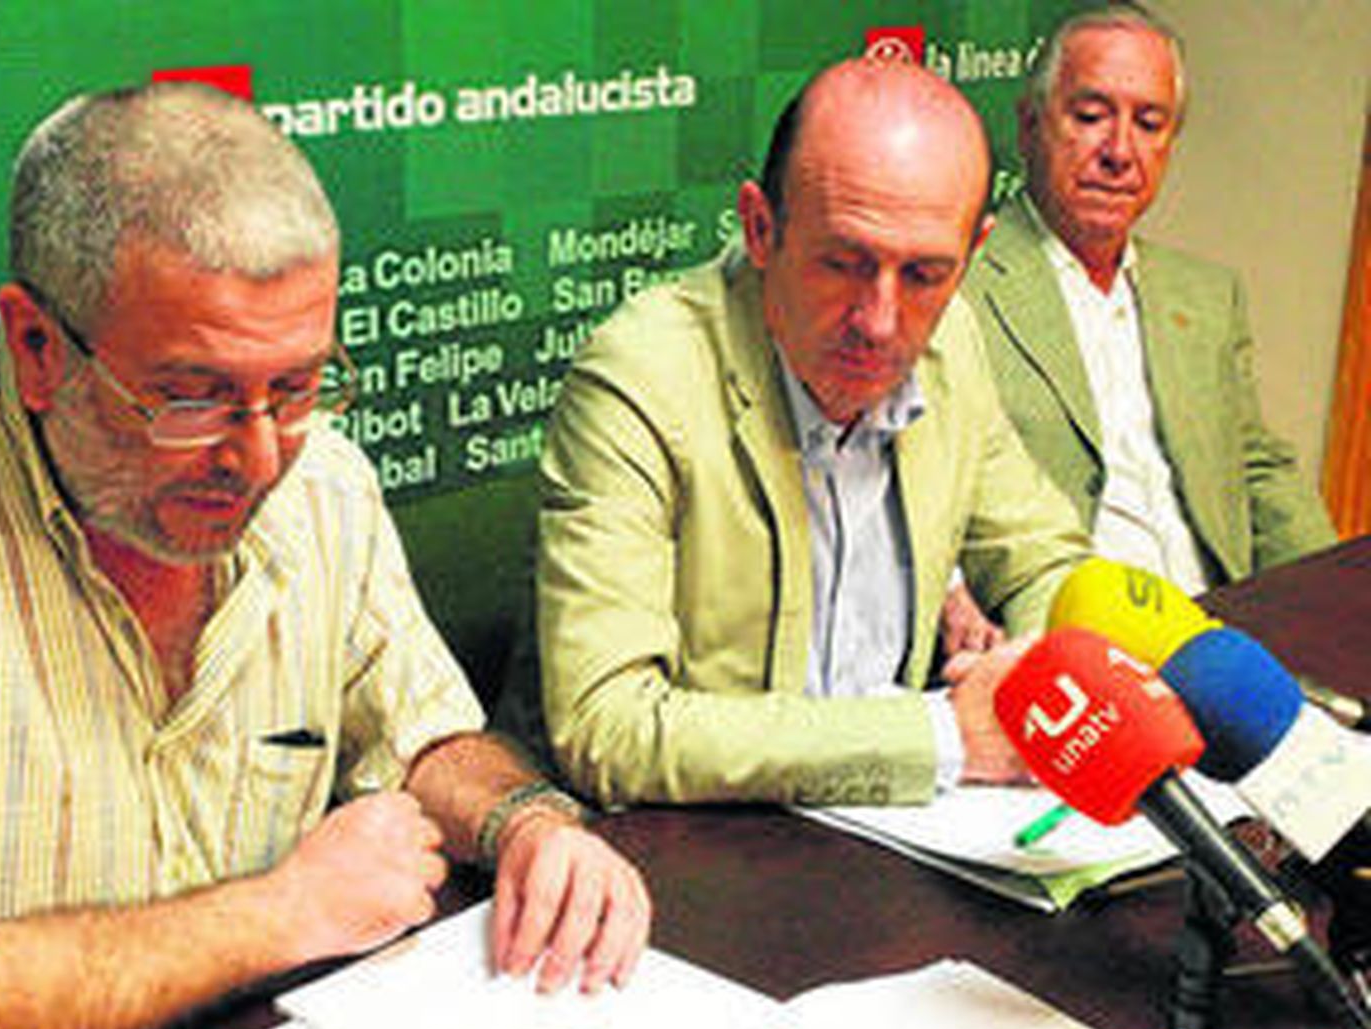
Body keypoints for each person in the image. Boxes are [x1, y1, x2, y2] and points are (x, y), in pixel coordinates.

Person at [0, 83, 649, 1029]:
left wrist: (529, 825)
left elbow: (422, 739)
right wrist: (285, 911)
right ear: (38, 347)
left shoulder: (317, 480)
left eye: (298, 386)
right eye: (192, 398)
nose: (259, 456)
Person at [530, 59, 1090, 810]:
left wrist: (1028, 675)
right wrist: (947, 736)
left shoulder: (951, 340)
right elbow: (608, 727)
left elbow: (1044, 561)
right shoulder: (643, 377)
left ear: (973, 253)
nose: (880, 322)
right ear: (761, 228)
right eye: (844, 264)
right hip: (705, 840)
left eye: (924, 275)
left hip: (909, 821)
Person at [959, 3, 1336, 608]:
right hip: (1066, 627)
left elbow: (1254, 466)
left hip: (1222, 619)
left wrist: (1333, 598)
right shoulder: (957, 286)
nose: (1120, 151)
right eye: (1090, 116)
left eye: (1149, 124)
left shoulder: (1208, 296)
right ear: (1029, 126)